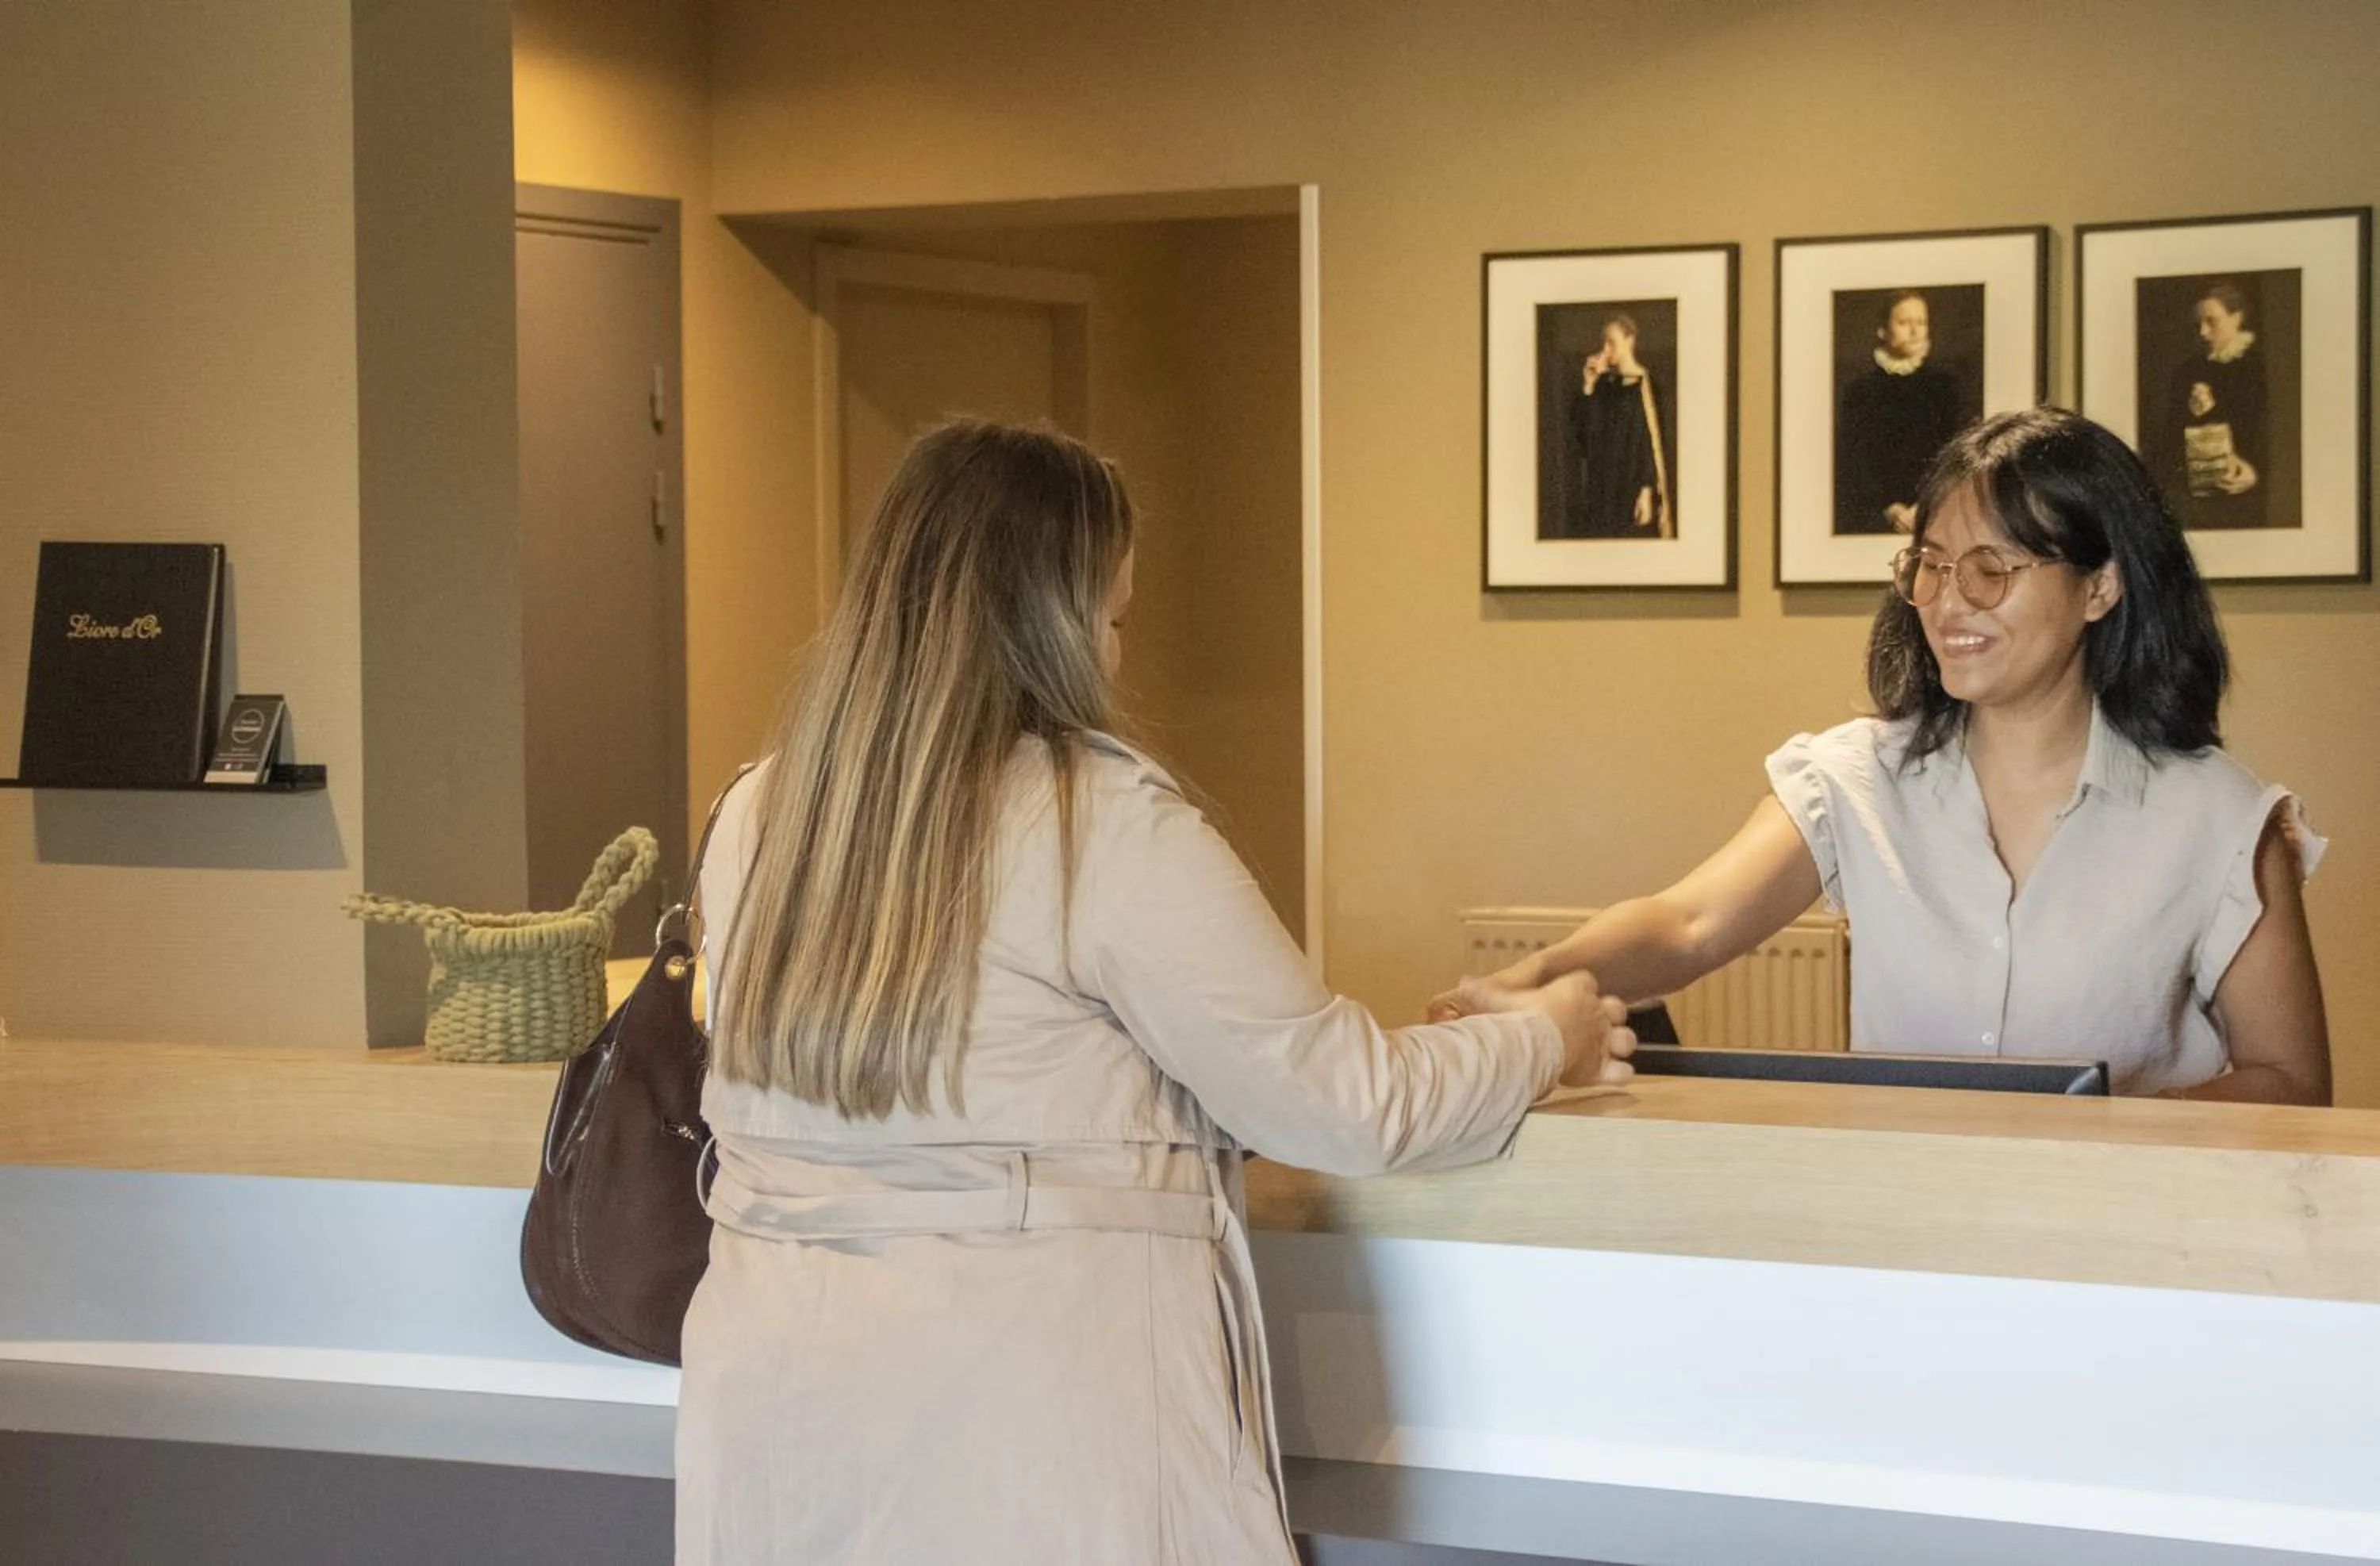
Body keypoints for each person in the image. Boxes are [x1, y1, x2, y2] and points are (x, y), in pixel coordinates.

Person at [675, 420, 1634, 1564]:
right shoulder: (1096, 825)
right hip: (1032, 1428)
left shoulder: (761, 814)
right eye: (1112, 618)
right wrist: (1543, 1036)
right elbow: (1341, 1101)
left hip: (781, 1416)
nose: (1116, 655)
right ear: (1050, 617)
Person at [1439, 408, 2330, 1103]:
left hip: (2129, 1252)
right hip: (1906, 1232)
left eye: (1993, 569)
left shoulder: (2218, 816)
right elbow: (1687, 926)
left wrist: (2101, 1135)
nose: (1947, 604)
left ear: (2100, 586)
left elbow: (2292, 1083)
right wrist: (1522, 985)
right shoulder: (1857, 778)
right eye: (1931, 565)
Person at [1836, 289, 1965, 535]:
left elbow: (1956, 457)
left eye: (1921, 322)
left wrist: (1924, 506)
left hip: (1936, 511)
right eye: (1904, 323)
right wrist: (1890, 509)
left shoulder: (1946, 385)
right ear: (1883, 330)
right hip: (1875, 515)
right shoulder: (1859, 390)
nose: (1915, 331)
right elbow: (1853, 461)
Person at [2147, 278, 2270, 529]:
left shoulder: (2260, 366)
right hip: (2194, 493)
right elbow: (2171, 438)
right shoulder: (2187, 371)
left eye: (2212, 322)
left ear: (2237, 318)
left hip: (2247, 496)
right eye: (2199, 324)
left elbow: (2269, 431)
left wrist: (2256, 473)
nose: (2203, 332)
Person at [1564, 312, 1671, 538]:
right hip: (1603, 490)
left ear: (1629, 340)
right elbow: (1584, 440)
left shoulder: (1647, 384)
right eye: (1604, 343)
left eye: (1611, 342)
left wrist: (1646, 491)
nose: (1605, 349)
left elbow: (1650, 445)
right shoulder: (1604, 386)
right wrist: (1589, 387)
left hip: (1633, 492)